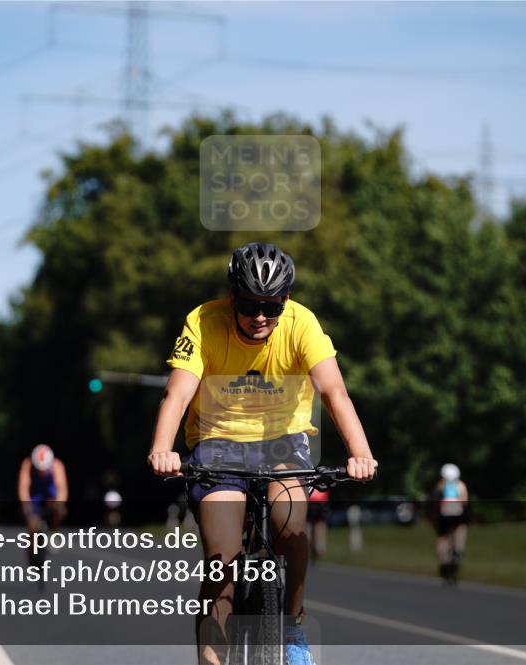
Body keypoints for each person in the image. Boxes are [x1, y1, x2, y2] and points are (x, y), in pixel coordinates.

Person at [147, 242, 378, 665]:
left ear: (285, 301)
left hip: (283, 440)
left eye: (271, 308)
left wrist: (360, 453)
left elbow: (333, 391)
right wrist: (162, 449)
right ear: (233, 296)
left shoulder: (302, 323)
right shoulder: (202, 321)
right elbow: (177, 392)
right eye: (251, 305)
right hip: (217, 443)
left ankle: (292, 623)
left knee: (289, 523)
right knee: (223, 561)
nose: (260, 318)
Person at [18, 444, 68, 563]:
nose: (41, 471)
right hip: (34, 498)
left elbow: (62, 488)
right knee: (32, 526)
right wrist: (26, 504)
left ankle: (53, 531)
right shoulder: (28, 464)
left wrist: (59, 503)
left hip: (51, 498)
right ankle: (32, 555)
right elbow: (23, 487)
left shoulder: (57, 465)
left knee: (60, 511)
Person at [431, 463, 469, 585]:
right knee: (459, 540)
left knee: (443, 541)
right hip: (459, 519)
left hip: (444, 519)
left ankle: (445, 563)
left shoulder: (439, 486)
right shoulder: (461, 485)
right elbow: (465, 503)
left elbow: (435, 504)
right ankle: (456, 557)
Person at [306, 487, 330, 561]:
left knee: (318, 524)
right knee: (316, 524)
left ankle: (317, 545)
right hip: (315, 499)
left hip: (317, 500)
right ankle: (317, 545)